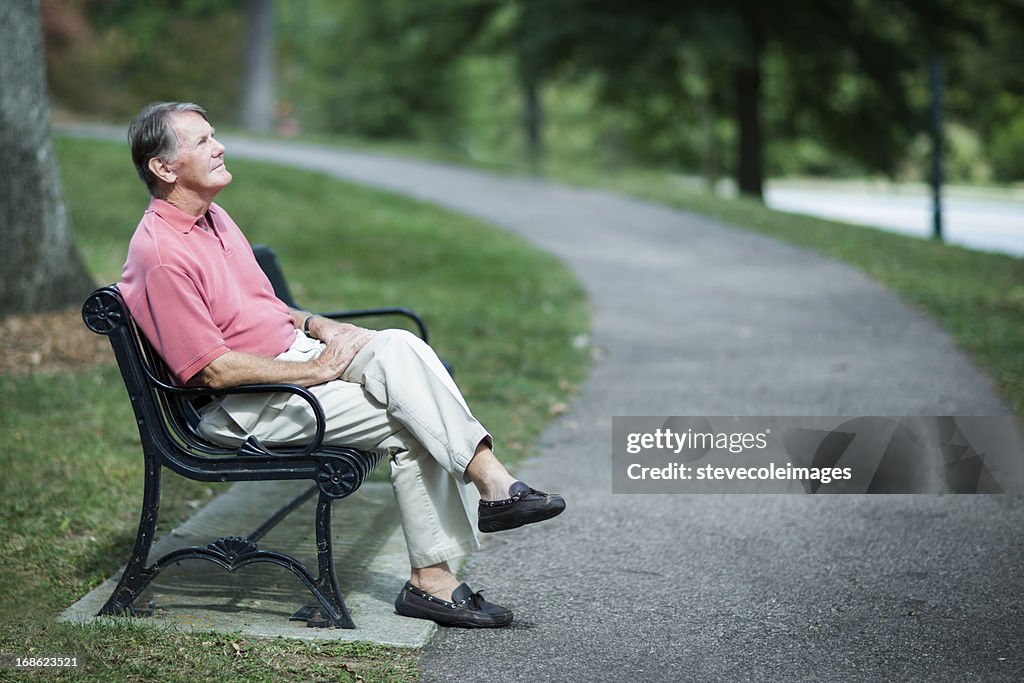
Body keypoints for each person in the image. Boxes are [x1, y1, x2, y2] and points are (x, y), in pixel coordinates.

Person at [119, 101, 565, 628]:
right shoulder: (162, 255)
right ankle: (441, 572)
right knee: (412, 419)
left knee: (398, 345)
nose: (219, 147)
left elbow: (264, 308)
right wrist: (314, 371)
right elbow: (209, 371)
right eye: (201, 142)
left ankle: (489, 488)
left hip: (292, 359)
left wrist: (319, 327)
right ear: (164, 168)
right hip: (248, 403)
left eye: (215, 136)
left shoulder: (212, 217)